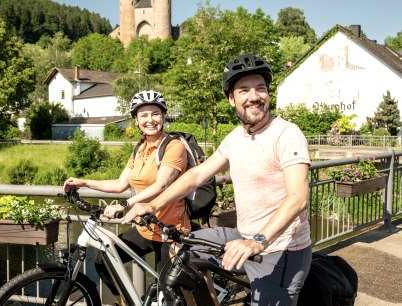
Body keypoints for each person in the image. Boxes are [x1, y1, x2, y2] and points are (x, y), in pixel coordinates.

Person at [122, 54, 312, 306]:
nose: (254, 96)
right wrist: (153, 204)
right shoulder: (235, 137)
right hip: (243, 233)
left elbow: (298, 197)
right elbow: (198, 174)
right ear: (231, 99)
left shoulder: (287, 134)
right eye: (244, 90)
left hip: (281, 248)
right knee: (182, 251)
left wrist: (257, 241)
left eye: (260, 88)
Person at [63, 90, 190, 306]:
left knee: (168, 295)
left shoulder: (173, 146)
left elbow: (162, 185)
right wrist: (84, 182)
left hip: (171, 230)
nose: (150, 120)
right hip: (145, 228)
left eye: (155, 114)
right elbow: (121, 184)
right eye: (144, 115)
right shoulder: (140, 149)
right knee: (104, 261)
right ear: (136, 120)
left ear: (164, 116)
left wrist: (125, 204)